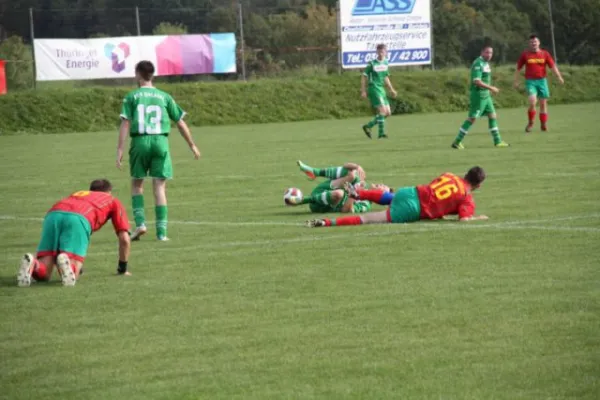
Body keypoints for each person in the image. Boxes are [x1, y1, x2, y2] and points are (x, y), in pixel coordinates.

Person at [116, 60, 201, 242]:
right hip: (160, 141)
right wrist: (192, 145)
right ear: (152, 75)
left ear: (138, 74)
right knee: (159, 186)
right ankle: (161, 233)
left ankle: (140, 224)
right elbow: (180, 122)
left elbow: (125, 123)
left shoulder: (132, 97)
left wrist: (120, 149)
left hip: (139, 141)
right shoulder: (164, 96)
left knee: (137, 184)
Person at [17, 179, 131, 287]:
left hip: (53, 215)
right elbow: (125, 239)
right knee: (72, 275)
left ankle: (33, 264)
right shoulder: (112, 199)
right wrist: (122, 268)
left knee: (44, 273)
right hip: (78, 218)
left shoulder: (79, 193)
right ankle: (69, 265)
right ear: (109, 192)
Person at [307, 167, 489, 227]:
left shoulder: (450, 175)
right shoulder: (467, 198)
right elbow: (464, 219)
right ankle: (326, 222)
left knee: (388, 197)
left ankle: (360, 193)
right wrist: (478, 218)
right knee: (368, 218)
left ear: (466, 174)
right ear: (479, 185)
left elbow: (435, 187)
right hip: (415, 209)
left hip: (412, 192)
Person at [452, 44, 510, 149]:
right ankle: (457, 141)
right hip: (479, 95)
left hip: (486, 96)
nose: (489, 55)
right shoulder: (478, 63)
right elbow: (477, 81)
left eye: (491, 53)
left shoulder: (486, 63)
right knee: (472, 118)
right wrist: (491, 88)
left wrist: (489, 90)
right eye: (487, 52)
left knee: (492, 115)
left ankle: (498, 141)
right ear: (482, 52)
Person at [514, 34, 564, 132]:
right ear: (529, 43)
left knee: (543, 104)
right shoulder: (525, 54)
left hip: (542, 81)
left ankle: (543, 124)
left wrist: (559, 77)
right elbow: (518, 68)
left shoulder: (545, 54)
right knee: (532, 101)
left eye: (535, 41)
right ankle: (531, 122)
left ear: (539, 43)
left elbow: (553, 66)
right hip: (530, 81)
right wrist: (516, 81)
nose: (533, 43)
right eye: (532, 42)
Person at [288, 161, 379, 214]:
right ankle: (316, 172)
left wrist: (354, 193)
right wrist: (357, 166)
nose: (381, 184)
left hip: (323, 204)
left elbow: (346, 210)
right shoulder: (363, 184)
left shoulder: (365, 204)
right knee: (352, 174)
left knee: (339, 194)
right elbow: (345, 166)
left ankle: (303, 200)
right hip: (323, 189)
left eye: (382, 188)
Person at [361, 44, 398, 139]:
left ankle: (368, 126)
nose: (381, 53)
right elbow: (364, 77)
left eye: (383, 51)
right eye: (379, 51)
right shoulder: (372, 63)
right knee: (383, 111)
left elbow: (385, 77)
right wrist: (363, 91)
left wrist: (391, 89)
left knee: (388, 113)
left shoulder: (385, 63)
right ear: (376, 52)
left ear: (386, 52)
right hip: (373, 88)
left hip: (381, 89)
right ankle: (381, 134)